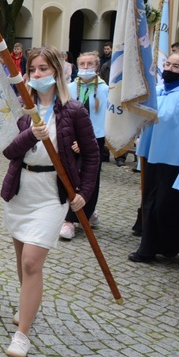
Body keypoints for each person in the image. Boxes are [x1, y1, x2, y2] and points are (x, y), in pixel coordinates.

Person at [0, 46, 98, 357]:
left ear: (56, 71)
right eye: (33, 70)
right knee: (21, 260)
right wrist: (31, 135)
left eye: (44, 69)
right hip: (21, 190)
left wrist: (84, 190)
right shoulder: (21, 106)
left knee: (32, 262)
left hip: (52, 195)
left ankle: (22, 335)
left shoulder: (73, 111)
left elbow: (92, 154)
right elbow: (8, 151)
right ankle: (26, 306)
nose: (38, 75)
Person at [129, 51, 179, 262]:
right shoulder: (158, 91)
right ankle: (148, 248)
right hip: (151, 154)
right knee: (149, 201)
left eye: (176, 67)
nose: (169, 69)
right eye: (168, 64)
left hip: (176, 159)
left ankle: (168, 245)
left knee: (165, 205)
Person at [59, 51, 109, 239]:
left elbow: (108, 117)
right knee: (71, 176)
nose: (86, 68)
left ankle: (87, 210)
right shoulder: (70, 88)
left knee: (90, 177)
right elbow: (63, 114)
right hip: (71, 140)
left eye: (90, 64)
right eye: (82, 64)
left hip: (94, 140)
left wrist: (87, 142)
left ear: (97, 66)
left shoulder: (105, 90)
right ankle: (69, 219)